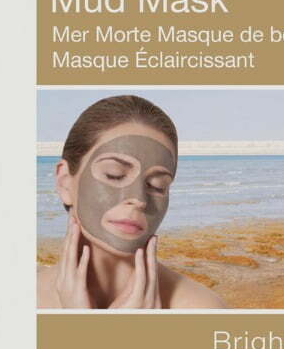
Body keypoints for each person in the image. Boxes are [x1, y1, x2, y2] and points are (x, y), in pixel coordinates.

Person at [37, 94, 224, 309]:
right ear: (64, 183)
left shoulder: (201, 308)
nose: (138, 199)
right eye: (114, 174)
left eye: (157, 186)